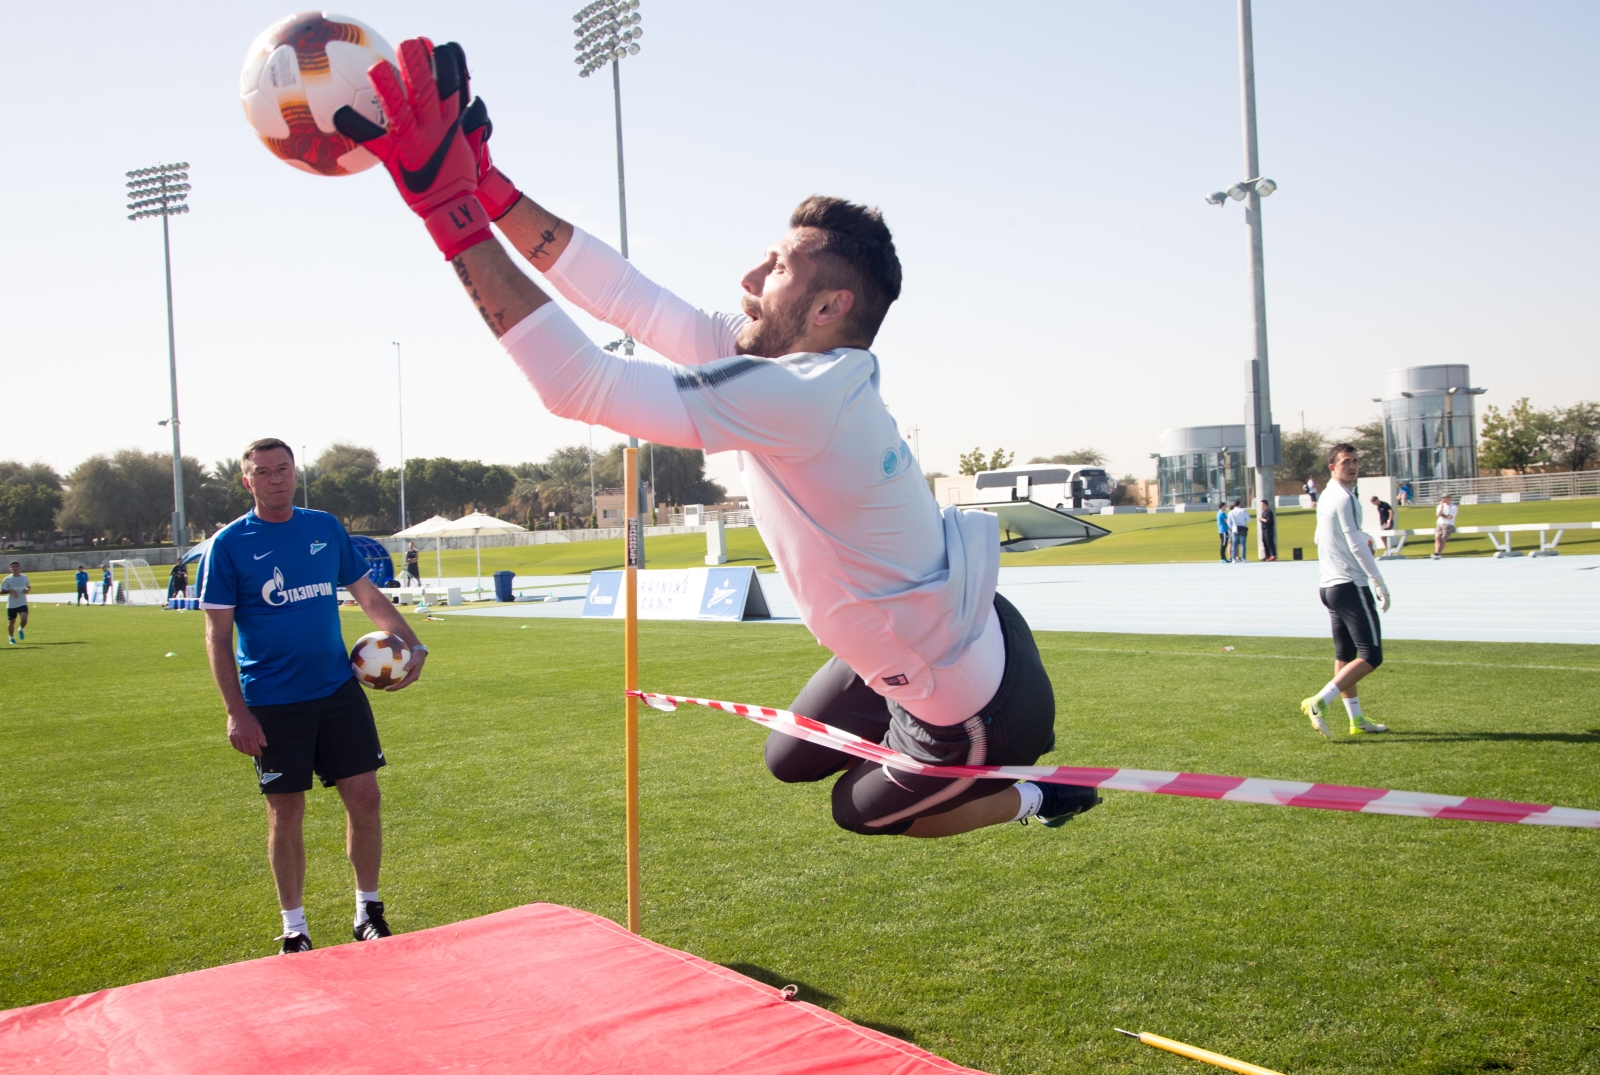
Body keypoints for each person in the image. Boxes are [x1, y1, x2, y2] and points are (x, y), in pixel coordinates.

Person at [336, 39, 1099, 838]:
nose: (746, 278)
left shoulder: (803, 393)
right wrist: (490, 191)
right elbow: (634, 301)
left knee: (860, 812)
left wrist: (447, 214)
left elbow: (580, 386)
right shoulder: (795, 371)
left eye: (773, 268)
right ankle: (911, 695)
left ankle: (1036, 792)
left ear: (831, 306)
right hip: (942, 624)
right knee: (787, 757)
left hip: (965, 696)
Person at [200, 438, 429, 954]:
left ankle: (367, 909)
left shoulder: (323, 527)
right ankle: (294, 927)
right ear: (247, 481)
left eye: (283, 469)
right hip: (272, 701)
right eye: (263, 472)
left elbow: (367, 595)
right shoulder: (229, 545)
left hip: (337, 689)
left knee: (366, 797)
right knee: (286, 811)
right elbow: (217, 635)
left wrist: (413, 644)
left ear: (294, 472)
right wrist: (236, 712)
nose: (276, 478)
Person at [1301, 444, 1391, 738]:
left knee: (1346, 654)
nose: (1352, 466)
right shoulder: (1344, 498)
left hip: (1328, 587)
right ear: (1332, 467)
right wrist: (1377, 579)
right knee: (1371, 655)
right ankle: (1319, 701)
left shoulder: (1326, 496)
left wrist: (1361, 538)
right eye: (1345, 462)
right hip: (1349, 584)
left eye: (1355, 461)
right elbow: (1354, 544)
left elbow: (1320, 536)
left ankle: (1356, 719)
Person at [3, 561, 29, 644]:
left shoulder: (24, 577)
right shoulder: (7, 579)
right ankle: (11, 637)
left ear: (19, 567)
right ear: (10, 569)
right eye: (13, 567)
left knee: (24, 619)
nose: (15, 568)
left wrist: (27, 589)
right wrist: (10, 590)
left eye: (16, 566)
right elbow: (1, 590)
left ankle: (20, 629)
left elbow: (28, 586)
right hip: (11, 604)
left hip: (22, 602)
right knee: (12, 622)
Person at [1433, 493, 1457, 559]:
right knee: (1437, 537)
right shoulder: (1439, 506)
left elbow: (1450, 517)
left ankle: (1439, 553)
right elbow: (1438, 515)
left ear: (1449, 498)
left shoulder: (1453, 506)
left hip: (1448, 524)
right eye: (1443, 498)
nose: (1443, 499)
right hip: (1439, 523)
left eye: (1445, 498)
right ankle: (1437, 552)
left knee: (1443, 539)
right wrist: (1442, 506)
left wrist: (1442, 515)